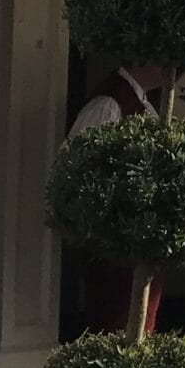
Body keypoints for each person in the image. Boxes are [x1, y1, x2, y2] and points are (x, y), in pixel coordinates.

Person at [70, 59, 166, 335]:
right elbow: (80, 172)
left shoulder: (144, 103)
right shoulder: (108, 105)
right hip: (117, 249)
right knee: (117, 327)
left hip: (142, 244)